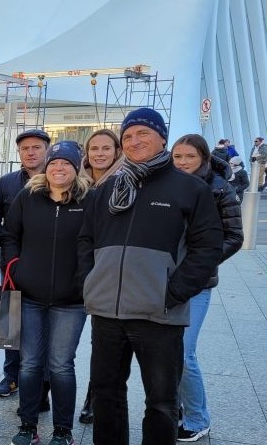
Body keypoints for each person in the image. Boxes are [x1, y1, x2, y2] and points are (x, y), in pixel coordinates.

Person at [77, 108, 223, 445]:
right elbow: (86, 239)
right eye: (127, 136)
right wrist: (90, 282)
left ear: (162, 139)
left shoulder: (189, 189)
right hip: (107, 313)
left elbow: (208, 246)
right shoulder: (108, 189)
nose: (133, 141)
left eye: (143, 133)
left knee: (161, 401)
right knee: (106, 394)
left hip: (159, 313)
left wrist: (173, 292)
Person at [1, 141, 91, 445]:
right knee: (29, 363)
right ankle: (28, 425)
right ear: (46, 167)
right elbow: (10, 234)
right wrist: (15, 267)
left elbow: (94, 242)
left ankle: (63, 431)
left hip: (71, 301)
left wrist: (85, 280)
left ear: (76, 168)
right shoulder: (29, 198)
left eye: (66, 163)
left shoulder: (88, 201)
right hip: (30, 296)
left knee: (61, 365)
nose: (59, 168)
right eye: (54, 163)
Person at [170, 134, 244, 442]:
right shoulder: (167, 184)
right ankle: (173, 408)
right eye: (178, 157)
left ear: (203, 157)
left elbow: (234, 237)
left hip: (197, 282)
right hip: (164, 279)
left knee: (184, 352)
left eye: (189, 156)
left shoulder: (219, 189)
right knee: (167, 352)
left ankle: (198, 418)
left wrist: (200, 261)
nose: (183, 162)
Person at [0, 128, 50, 400]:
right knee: (10, 322)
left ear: (47, 150)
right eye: (25, 148)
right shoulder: (7, 183)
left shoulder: (60, 179)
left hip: (49, 265)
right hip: (12, 264)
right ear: (19, 153)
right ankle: (10, 376)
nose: (31, 152)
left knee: (45, 324)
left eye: (37, 147)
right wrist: (10, 239)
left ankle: (43, 383)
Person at [77, 127, 125, 424]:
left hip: (107, 270)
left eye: (106, 148)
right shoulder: (75, 179)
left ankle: (95, 397)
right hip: (76, 264)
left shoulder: (125, 181)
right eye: (94, 149)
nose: (99, 154)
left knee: (103, 341)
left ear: (117, 152)